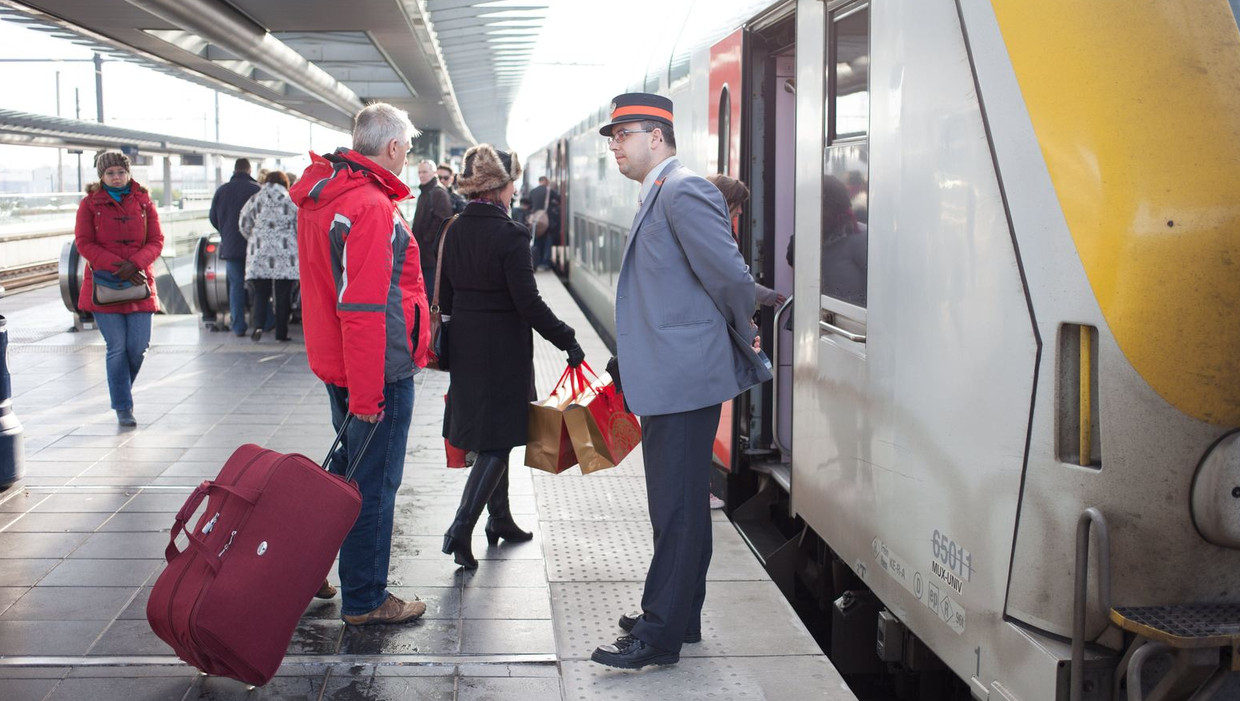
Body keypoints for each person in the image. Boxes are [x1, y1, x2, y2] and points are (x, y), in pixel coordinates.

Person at [591, 93, 769, 669]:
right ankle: (680, 615)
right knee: (686, 502)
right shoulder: (662, 191)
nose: (615, 144)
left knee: (674, 506)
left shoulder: (683, 189)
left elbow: (730, 276)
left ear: (658, 137)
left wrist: (746, 333)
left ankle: (659, 634)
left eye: (624, 133)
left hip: (682, 376)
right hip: (671, 374)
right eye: (612, 136)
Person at [289, 103, 431, 625]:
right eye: (408, 147)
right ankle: (367, 599)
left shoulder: (324, 194)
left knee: (346, 478)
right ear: (392, 146)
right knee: (373, 486)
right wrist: (370, 393)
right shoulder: (369, 205)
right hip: (374, 373)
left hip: (338, 363)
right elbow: (365, 307)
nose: (408, 155)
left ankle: (305, 568)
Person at [439, 144, 584, 570]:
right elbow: (529, 303)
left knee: (490, 435)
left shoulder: (454, 229)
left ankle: (499, 519)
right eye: (512, 182)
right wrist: (567, 339)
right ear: (501, 187)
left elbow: (444, 296)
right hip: (501, 350)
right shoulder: (511, 234)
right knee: (499, 440)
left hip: (466, 344)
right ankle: (460, 529)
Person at [74, 152, 165, 427]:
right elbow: (84, 242)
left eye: (120, 172)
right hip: (104, 285)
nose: (116, 176)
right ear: (101, 176)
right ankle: (123, 406)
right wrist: (117, 266)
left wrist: (134, 264)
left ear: (128, 173)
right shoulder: (89, 205)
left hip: (138, 283)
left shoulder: (144, 202)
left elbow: (157, 240)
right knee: (117, 347)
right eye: (110, 172)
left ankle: (121, 390)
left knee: (137, 347)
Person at [706, 174, 786, 309]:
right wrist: (767, 295)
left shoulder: (709, 229)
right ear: (724, 202)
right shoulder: (714, 235)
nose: (740, 211)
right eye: (737, 204)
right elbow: (732, 277)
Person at [239, 171, 298, 342]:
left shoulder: (256, 199)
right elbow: (300, 225)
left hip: (260, 253)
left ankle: (258, 326)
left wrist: (253, 238)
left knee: (260, 293)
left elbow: (243, 223)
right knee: (283, 296)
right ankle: (281, 333)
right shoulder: (290, 200)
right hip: (286, 255)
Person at [209, 158, 261, 336]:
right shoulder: (257, 190)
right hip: (255, 248)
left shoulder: (222, 190)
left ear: (235, 169)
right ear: (249, 169)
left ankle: (238, 326)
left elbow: (213, 217)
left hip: (231, 247)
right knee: (260, 286)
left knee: (236, 286)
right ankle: (264, 322)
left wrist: (225, 233)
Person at [411, 159, 454, 294]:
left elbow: (442, 221)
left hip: (431, 257)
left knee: (430, 294)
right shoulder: (425, 193)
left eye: (424, 172)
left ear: (434, 173)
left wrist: (426, 239)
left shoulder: (438, 193)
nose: (421, 175)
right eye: (419, 172)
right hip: (423, 256)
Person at [527, 176, 554, 270]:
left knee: (537, 241)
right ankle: (545, 262)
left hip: (536, 221)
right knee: (547, 241)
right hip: (547, 220)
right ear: (545, 181)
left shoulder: (533, 191)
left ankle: (536, 262)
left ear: (539, 181)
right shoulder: (549, 191)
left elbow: (528, 204)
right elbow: (558, 200)